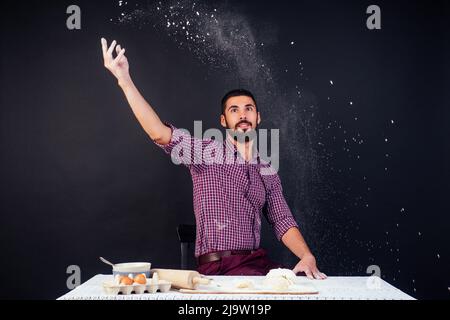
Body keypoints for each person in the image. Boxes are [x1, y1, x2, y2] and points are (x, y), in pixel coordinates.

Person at [100, 38, 326, 279]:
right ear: (223, 121)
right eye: (234, 110)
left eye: (249, 109)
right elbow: (159, 132)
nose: (243, 115)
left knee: (301, 286)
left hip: (258, 263)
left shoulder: (267, 169)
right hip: (220, 268)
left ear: (258, 118)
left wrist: (306, 256)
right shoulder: (206, 154)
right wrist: (124, 81)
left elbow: (282, 219)